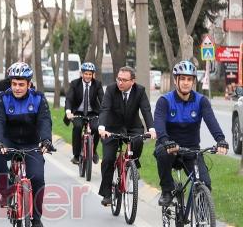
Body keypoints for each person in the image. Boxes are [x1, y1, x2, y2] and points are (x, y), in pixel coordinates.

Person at [153, 61, 228, 206]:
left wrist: (221, 140)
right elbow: (159, 124)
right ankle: (167, 191)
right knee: (162, 153)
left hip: (191, 150)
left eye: (189, 79)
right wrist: (165, 141)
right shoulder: (165, 101)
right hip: (170, 148)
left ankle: (201, 215)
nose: (186, 82)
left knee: (205, 184)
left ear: (193, 82)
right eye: (182, 79)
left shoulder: (201, 101)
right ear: (176, 80)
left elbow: (211, 121)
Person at [0, 62, 53, 227]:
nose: (17, 88)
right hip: (8, 141)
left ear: (29, 84)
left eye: (21, 84)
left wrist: (46, 140)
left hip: (31, 143)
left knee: (38, 178)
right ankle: (6, 192)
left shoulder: (38, 99)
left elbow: (44, 121)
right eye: (14, 84)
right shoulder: (3, 98)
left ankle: (37, 218)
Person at [97, 66, 156, 206]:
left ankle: (132, 165)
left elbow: (146, 110)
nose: (120, 82)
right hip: (111, 128)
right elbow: (105, 109)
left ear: (132, 81)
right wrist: (102, 127)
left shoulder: (139, 91)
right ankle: (107, 193)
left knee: (138, 141)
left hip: (132, 127)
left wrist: (151, 129)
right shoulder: (111, 89)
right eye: (119, 79)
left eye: (124, 80)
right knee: (108, 159)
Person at [64, 62, 104, 165]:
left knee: (96, 128)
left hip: (92, 112)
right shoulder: (75, 83)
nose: (88, 76)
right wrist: (68, 112)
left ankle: (93, 151)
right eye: (86, 74)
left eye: (90, 74)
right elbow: (69, 99)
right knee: (77, 127)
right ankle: (76, 155)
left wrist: (105, 112)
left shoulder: (97, 84)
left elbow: (102, 100)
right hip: (77, 112)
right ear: (81, 74)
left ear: (93, 75)